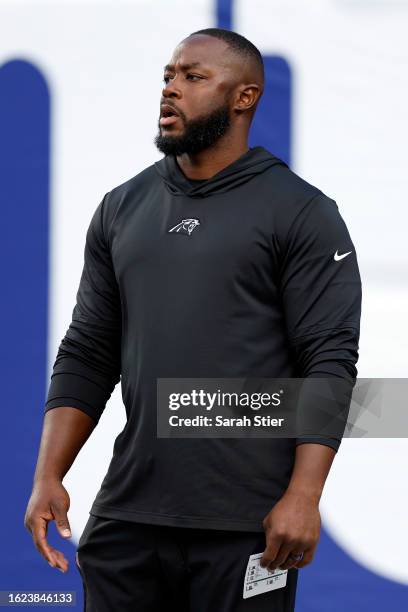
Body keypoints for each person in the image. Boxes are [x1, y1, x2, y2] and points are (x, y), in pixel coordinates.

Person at [24, 28, 362, 612]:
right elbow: (87, 351)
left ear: (245, 97)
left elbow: (329, 361)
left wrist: (305, 495)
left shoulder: (303, 212)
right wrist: (49, 474)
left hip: (246, 528)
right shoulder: (122, 207)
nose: (171, 90)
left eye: (193, 77)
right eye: (168, 76)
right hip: (127, 521)